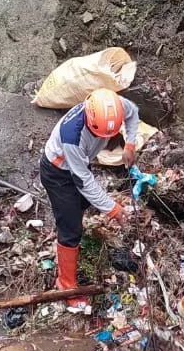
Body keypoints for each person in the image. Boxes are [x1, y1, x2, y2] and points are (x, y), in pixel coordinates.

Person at [39, 89, 139, 309]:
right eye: (100, 135)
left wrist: (130, 145)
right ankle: (65, 285)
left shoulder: (114, 106)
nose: (105, 139)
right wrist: (112, 209)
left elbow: (133, 113)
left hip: (80, 164)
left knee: (82, 204)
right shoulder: (71, 136)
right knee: (70, 227)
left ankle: (73, 233)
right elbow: (83, 180)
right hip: (57, 171)